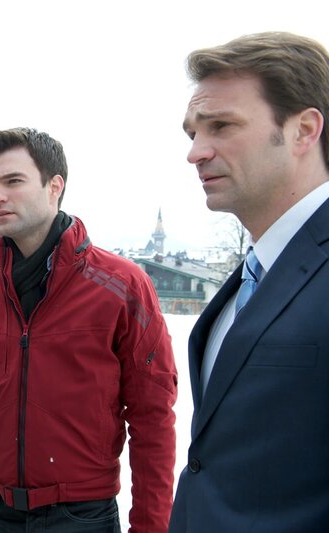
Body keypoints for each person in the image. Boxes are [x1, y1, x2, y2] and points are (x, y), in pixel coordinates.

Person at [0, 128, 177, 532]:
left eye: (13, 181)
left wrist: (152, 525)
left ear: (54, 187)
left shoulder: (121, 286)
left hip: (81, 515)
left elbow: (153, 417)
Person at [170, 32, 329, 532]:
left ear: (304, 130)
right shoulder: (252, 275)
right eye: (193, 132)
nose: (196, 152)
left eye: (221, 126)